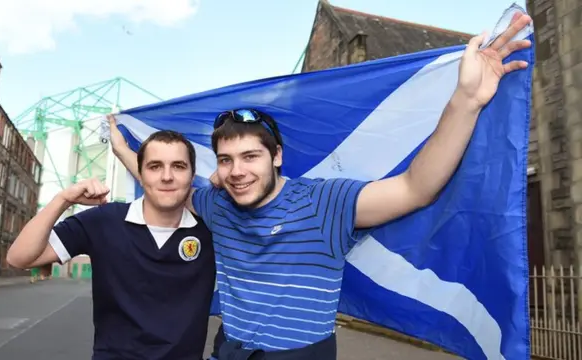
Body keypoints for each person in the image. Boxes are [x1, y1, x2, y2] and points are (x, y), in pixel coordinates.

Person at [109, 13, 532, 360]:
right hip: (229, 352)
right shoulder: (215, 206)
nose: (237, 171)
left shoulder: (325, 202)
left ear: (276, 156)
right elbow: (163, 185)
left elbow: (414, 188)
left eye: (250, 157)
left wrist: (467, 100)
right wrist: (122, 148)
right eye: (226, 160)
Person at [7, 130, 216, 360]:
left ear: (192, 174)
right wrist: (63, 199)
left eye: (178, 166)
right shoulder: (102, 221)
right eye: (154, 166)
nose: (167, 176)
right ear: (141, 174)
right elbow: (20, 257)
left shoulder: (213, 232)